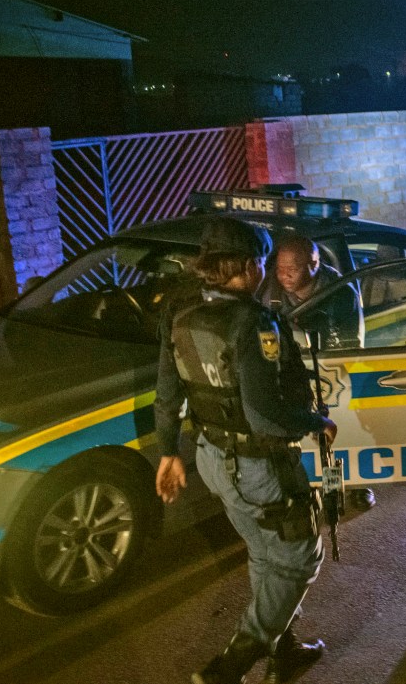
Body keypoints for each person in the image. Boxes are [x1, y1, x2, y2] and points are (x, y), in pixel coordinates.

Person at [155, 217, 334, 684]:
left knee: (263, 554)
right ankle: (232, 663)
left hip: (212, 459)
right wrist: (318, 422)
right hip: (259, 466)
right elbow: (264, 415)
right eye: (263, 261)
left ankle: (283, 649)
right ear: (251, 265)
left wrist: (168, 453)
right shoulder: (255, 323)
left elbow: (167, 391)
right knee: (300, 558)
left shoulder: (183, 315)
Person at [262, 233, 375, 510]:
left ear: (314, 264)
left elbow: (350, 345)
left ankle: (346, 487)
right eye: (280, 269)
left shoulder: (340, 292)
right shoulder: (271, 290)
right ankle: (307, 487)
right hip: (291, 372)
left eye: (293, 268)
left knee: (336, 435)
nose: (284, 275)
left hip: (330, 373)